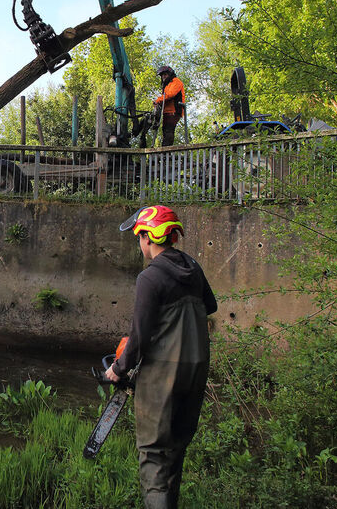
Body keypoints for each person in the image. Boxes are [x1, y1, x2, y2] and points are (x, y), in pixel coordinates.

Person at [106, 204, 217, 509]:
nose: (139, 243)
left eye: (138, 236)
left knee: (154, 453)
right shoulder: (193, 269)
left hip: (162, 374)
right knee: (176, 449)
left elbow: (139, 335)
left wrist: (119, 368)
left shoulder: (150, 278)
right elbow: (210, 306)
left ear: (147, 237)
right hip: (196, 370)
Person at [153, 65, 185, 146]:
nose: (163, 77)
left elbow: (170, 94)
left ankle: (166, 151)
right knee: (165, 130)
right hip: (167, 112)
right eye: (162, 75)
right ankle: (165, 151)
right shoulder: (167, 85)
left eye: (165, 74)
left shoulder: (176, 82)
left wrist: (158, 100)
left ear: (170, 74)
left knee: (169, 130)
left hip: (174, 111)